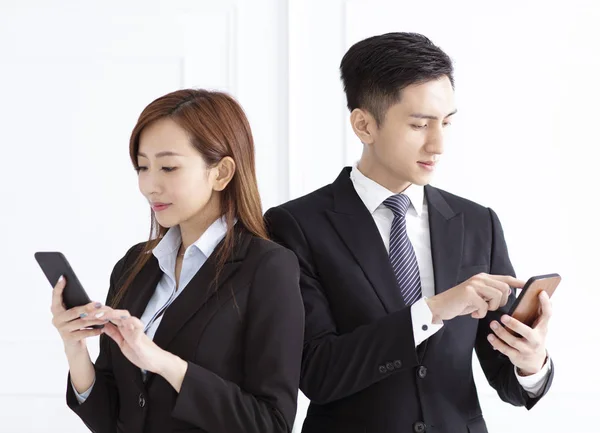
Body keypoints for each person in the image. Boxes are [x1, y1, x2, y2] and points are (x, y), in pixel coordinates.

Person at [265, 33, 553, 433]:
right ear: (364, 125)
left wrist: (531, 361)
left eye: (447, 122)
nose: (438, 144)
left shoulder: (476, 223)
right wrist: (433, 310)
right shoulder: (294, 225)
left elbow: (506, 379)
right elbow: (317, 372)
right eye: (419, 124)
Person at [50, 89, 304, 433]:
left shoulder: (267, 268)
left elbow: (271, 424)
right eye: (142, 166)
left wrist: (163, 364)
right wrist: (75, 347)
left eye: (168, 167)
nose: (149, 185)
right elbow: (112, 421)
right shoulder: (134, 265)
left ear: (221, 172)